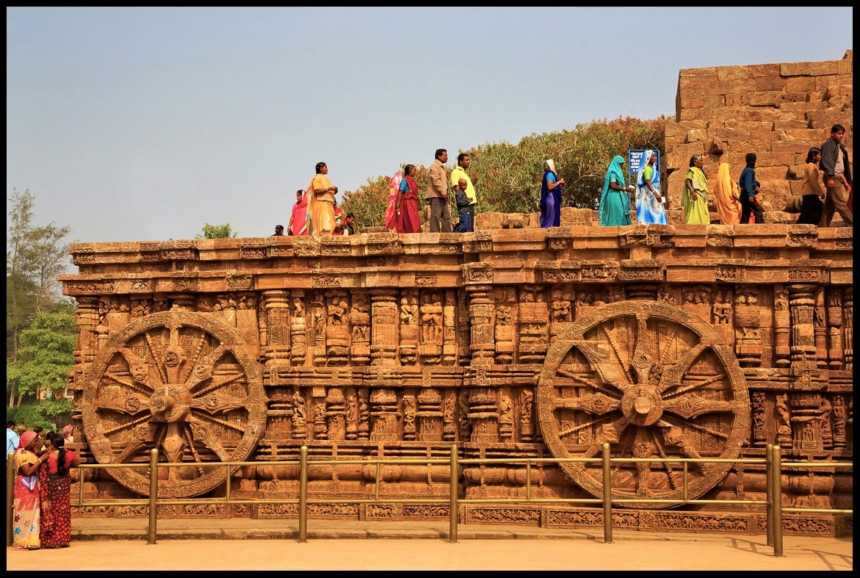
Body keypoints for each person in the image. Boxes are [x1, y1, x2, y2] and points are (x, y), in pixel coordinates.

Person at [39, 432, 78, 548]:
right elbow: (77, 463)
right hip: (64, 485)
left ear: (52, 444)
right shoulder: (69, 454)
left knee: (51, 511)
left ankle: (50, 540)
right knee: (63, 511)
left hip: (51, 486)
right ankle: (62, 539)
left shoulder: (47, 456)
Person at [13, 431, 48, 549]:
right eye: (35, 439)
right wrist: (41, 459)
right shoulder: (21, 453)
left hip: (33, 486)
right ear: (28, 441)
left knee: (34, 513)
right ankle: (22, 540)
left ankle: (33, 540)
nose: (37, 441)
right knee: (24, 513)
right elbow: (27, 471)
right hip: (24, 486)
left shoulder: (31, 452)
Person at [819, 124, 853, 226]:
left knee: (829, 205)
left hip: (837, 177)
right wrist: (830, 177)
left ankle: (823, 226)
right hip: (832, 177)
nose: (841, 136)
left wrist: (845, 181)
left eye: (842, 134)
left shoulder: (838, 146)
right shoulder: (829, 145)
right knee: (840, 202)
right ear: (832, 134)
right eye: (839, 133)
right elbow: (827, 161)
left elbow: (840, 165)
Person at [599, 155, 633, 226]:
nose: (622, 166)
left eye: (622, 164)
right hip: (614, 196)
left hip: (618, 196)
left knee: (620, 215)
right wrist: (625, 189)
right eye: (620, 164)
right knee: (617, 215)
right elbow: (613, 185)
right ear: (616, 163)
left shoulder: (618, 172)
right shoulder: (613, 172)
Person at [793, 147, 825, 225]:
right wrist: (820, 192)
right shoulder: (811, 166)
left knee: (807, 213)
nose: (820, 157)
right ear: (814, 156)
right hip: (810, 193)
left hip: (810, 193)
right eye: (819, 155)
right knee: (816, 209)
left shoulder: (811, 166)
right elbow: (813, 181)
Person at [635, 151, 667, 225]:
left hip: (654, 193)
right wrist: (655, 193)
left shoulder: (653, 169)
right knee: (653, 211)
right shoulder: (647, 169)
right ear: (648, 158)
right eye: (653, 156)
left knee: (657, 210)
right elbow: (647, 182)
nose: (655, 158)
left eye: (655, 156)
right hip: (650, 194)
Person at [425, 148, 452, 232]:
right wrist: (443, 192)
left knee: (446, 216)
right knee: (436, 216)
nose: (447, 157)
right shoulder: (434, 166)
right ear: (439, 156)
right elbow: (435, 180)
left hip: (442, 195)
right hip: (436, 195)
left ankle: (447, 235)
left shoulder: (441, 167)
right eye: (445, 155)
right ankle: (434, 234)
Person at [309, 162, 338, 237]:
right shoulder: (317, 177)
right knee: (324, 224)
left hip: (329, 203)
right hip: (321, 203)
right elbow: (317, 190)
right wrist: (329, 188)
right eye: (325, 167)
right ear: (320, 168)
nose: (327, 169)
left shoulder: (326, 178)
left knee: (331, 222)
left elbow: (331, 191)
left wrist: (335, 189)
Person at [451, 153, 477, 232]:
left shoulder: (464, 173)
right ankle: (455, 230)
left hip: (470, 202)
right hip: (464, 203)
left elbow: (466, 187)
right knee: (465, 225)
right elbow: (456, 187)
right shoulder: (456, 172)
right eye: (466, 160)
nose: (468, 162)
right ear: (460, 161)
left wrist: (474, 181)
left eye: (469, 160)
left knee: (470, 226)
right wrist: (463, 199)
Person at [683, 154, 711, 225]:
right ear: (695, 162)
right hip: (697, 194)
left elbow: (707, 177)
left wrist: (701, 168)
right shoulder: (692, 170)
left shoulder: (700, 171)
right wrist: (692, 192)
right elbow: (687, 181)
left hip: (702, 195)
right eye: (701, 160)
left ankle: (703, 226)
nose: (702, 162)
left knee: (703, 212)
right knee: (696, 212)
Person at [738, 153, 763, 224]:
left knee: (745, 214)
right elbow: (748, 184)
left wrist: (755, 184)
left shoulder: (746, 170)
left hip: (744, 196)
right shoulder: (749, 171)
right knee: (758, 211)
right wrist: (750, 195)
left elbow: (748, 182)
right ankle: (761, 229)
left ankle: (742, 231)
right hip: (747, 196)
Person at [540, 159, 565, 228]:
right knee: (551, 219)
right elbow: (550, 186)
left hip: (551, 198)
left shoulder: (550, 175)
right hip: (551, 199)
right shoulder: (550, 174)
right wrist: (559, 182)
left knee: (551, 217)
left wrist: (559, 184)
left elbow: (554, 186)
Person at [397, 164, 421, 233]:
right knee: (410, 218)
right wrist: (398, 203)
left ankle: (416, 231)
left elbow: (416, 194)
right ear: (410, 171)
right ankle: (411, 231)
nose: (415, 172)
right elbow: (401, 191)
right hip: (407, 203)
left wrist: (418, 204)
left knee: (415, 218)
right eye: (414, 170)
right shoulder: (404, 180)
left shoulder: (413, 181)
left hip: (413, 202)